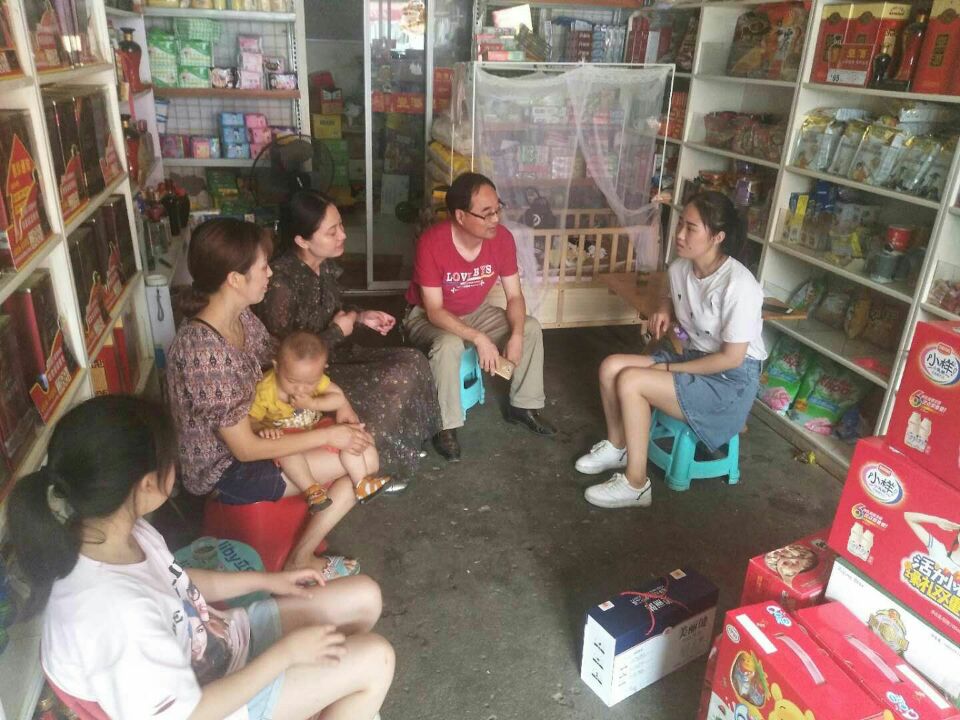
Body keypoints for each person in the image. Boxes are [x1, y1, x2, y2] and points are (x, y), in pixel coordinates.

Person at [5, 395, 394, 720]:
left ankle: (329, 695)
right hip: (216, 704)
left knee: (365, 596)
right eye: (172, 458)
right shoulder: (114, 613)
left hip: (224, 644)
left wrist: (269, 581)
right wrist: (286, 655)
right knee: (376, 659)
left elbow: (180, 581)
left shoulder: (113, 531)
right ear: (147, 484)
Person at [167, 218, 372, 577]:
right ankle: (300, 559)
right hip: (227, 472)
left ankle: (301, 551)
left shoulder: (240, 318)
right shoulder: (202, 350)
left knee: (360, 448)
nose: (270, 275)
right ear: (235, 279)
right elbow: (244, 449)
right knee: (364, 458)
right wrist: (329, 434)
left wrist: (342, 406)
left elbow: (287, 363)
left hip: (267, 428)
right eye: (263, 267)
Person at [576, 191, 766, 508]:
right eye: (680, 224)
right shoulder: (681, 267)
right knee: (611, 366)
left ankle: (636, 484)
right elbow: (669, 291)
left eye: (691, 228)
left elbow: (731, 358)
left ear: (717, 237)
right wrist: (663, 309)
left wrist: (668, 368)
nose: (679, 234)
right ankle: (618, 446)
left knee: (632, 380)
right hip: (694, 357)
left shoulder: (739, 285)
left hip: (729, 381)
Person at [256, 191, 440, 488]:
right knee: (392, 381)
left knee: (413, 360)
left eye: (340, 225)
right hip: (307, 379)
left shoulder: (324, 265)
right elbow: (292, 358)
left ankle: (400, 444)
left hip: (338, 354)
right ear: (302, 240)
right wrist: (338, 332)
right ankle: (376, 465)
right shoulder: (281, 282)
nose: (343, 235)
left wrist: (361, 316)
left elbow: (334, 308)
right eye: (332, 231)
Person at [403, 172, 558, 462]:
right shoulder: (432, 243)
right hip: (427, 316)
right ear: (460, 216)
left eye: (498, 209)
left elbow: (514, 296)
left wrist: (515, 335)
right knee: (448, 344)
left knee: (530, 327)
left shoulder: (502, 240)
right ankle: (445, 426)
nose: (495, 219)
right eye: (486, 213)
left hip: (475, 310)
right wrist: (479, 338)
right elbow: (434, 310)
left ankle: (523, 406)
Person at [250, 330, 394, 512]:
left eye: (310, 384)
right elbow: (250, 420)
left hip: (316, 427)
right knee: (286, 452)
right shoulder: (265, 389)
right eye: (292, 381)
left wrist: (312, 403)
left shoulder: (314, 378)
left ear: (322, 370)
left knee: (350, 437)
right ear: (277, 367)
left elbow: (338, 398)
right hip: (288, 437)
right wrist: (263, 429)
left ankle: (361, 483)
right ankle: (312, 490)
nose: (301, 389)